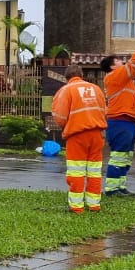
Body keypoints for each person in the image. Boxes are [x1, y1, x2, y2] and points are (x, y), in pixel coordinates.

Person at [100, 30, 135, 196]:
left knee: (126, 156)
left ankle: (120, 187)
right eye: (118, 61)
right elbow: (133, 65)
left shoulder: (124, 80)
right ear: (111, 67)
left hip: (128, 123)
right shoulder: (114, 77)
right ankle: (111, 188)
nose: (122, 62)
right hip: (119, 122)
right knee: (119, 156)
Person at [51, 64, 108, 214]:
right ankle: (94, 204)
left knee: (77, 171)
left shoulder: (66, 90)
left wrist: (66, 125)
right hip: (97, 135)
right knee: (94, 171)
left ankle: (76, 207)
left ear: (67, 77)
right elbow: (104, 110)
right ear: (81, 75)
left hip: (77, 135)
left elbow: (60, 116)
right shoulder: (96, 89)